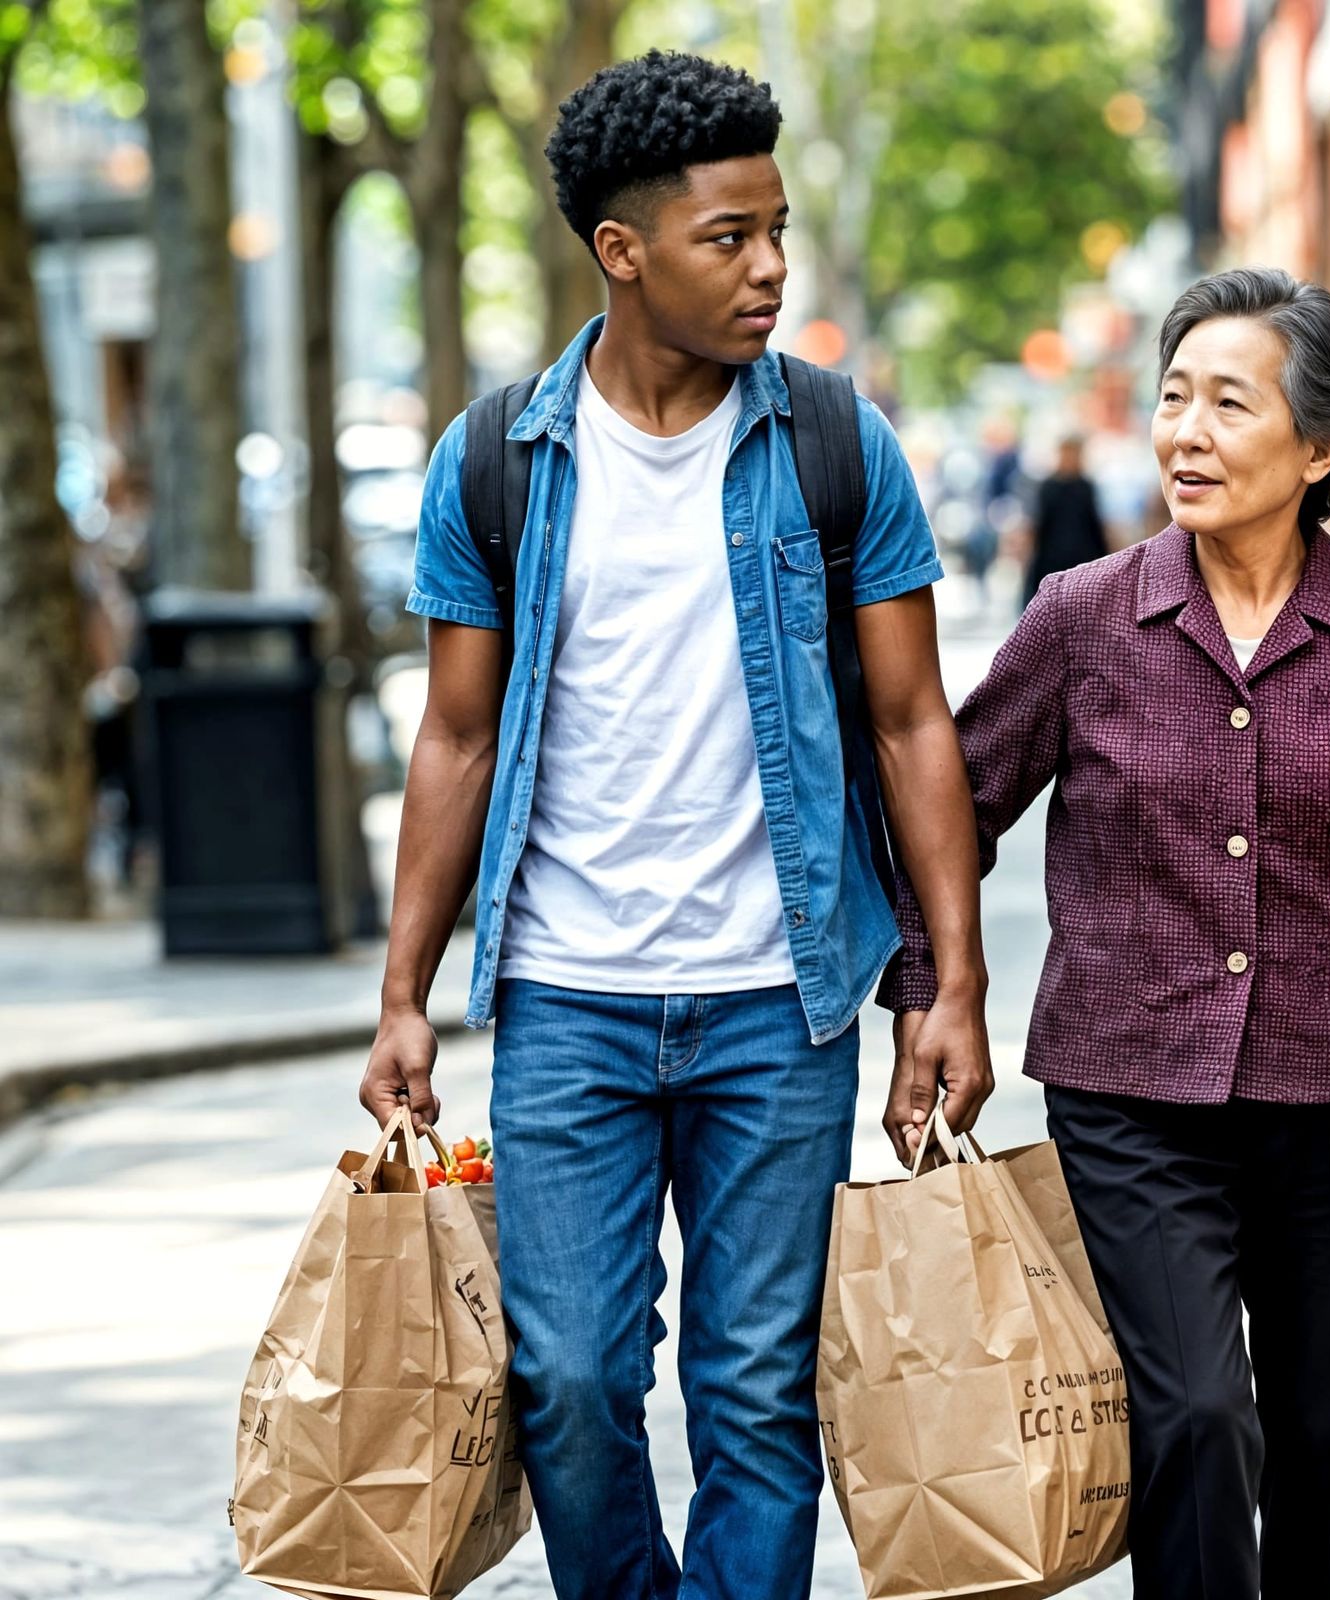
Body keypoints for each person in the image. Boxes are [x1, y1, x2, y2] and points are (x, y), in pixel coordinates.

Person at [358, 50, 993, 1600]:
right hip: (569, 998)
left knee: (757, 1399)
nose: (772, 266)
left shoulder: (837, 446)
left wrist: (951, 985)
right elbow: (452, 736)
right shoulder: (498, 458)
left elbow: (914, 723)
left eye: (778, 228)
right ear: (622, 252)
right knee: (566, 1382)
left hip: (778, 999)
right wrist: (401, 996)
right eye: (730, 237)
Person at [881, 266, 1330, 1599]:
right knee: (1201, 1421)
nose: (1185, 434)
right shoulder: (1082, 619)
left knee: (1327, 1441)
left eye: (1230, 403)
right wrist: (932, 990)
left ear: (1320, 446)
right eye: (1173, 400)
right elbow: (949, 814)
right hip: (1129, 1095)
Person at [1021, 435, 1107, 604]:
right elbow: (1039, 524)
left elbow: (1094, 524)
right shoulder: (1048, 487)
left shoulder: (1086, 487)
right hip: (1050, 557)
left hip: (1082, 556)